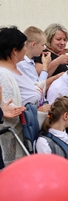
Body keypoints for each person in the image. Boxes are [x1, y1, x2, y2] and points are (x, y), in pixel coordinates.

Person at [0, 27, 28, 166]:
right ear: (14, 51)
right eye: (24, 47)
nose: (26, 51)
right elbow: (9, 114)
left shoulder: (9, 71)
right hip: (9, 142)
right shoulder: (3, 74)